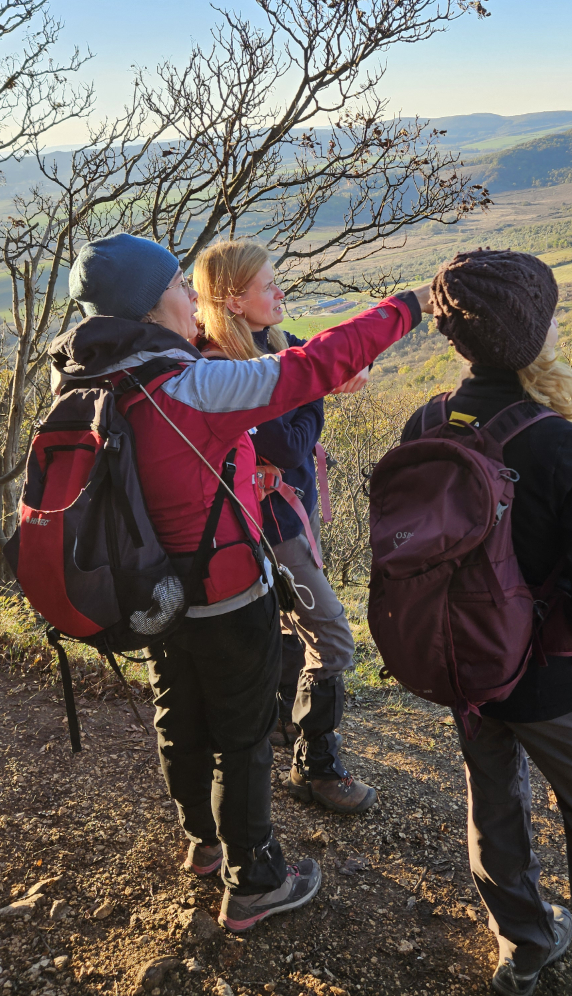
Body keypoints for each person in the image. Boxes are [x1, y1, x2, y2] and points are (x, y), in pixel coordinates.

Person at [58, 233, 430, 932]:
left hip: (153, 593)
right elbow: (312, 366)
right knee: (242, 734)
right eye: (177, 285)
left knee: (182, 718)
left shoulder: (94, 375)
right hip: (225, 591)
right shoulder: (190, 386)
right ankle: (255, 878)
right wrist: (410, 305)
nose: (189, 296)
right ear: (150, 304)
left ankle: (203, 844)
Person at [400, 250, 572, 996]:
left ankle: (524, 946)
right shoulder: (562, 444)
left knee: (493, 805)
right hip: (555, 683)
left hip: (464, 667)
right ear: (528, 332)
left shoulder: (424, 421)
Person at [192, 241, 375, 815]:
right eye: (268, 286)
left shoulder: (271, 343)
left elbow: (314, 361)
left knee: (287, 628)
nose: (280, 293)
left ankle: (282, 725)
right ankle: (315, 768)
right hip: (268, 525)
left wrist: (335, 372)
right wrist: (316, 391)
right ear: (232, 301)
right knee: (333, 638)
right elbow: (285, 441)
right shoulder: (222, 366)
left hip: (281, 515)